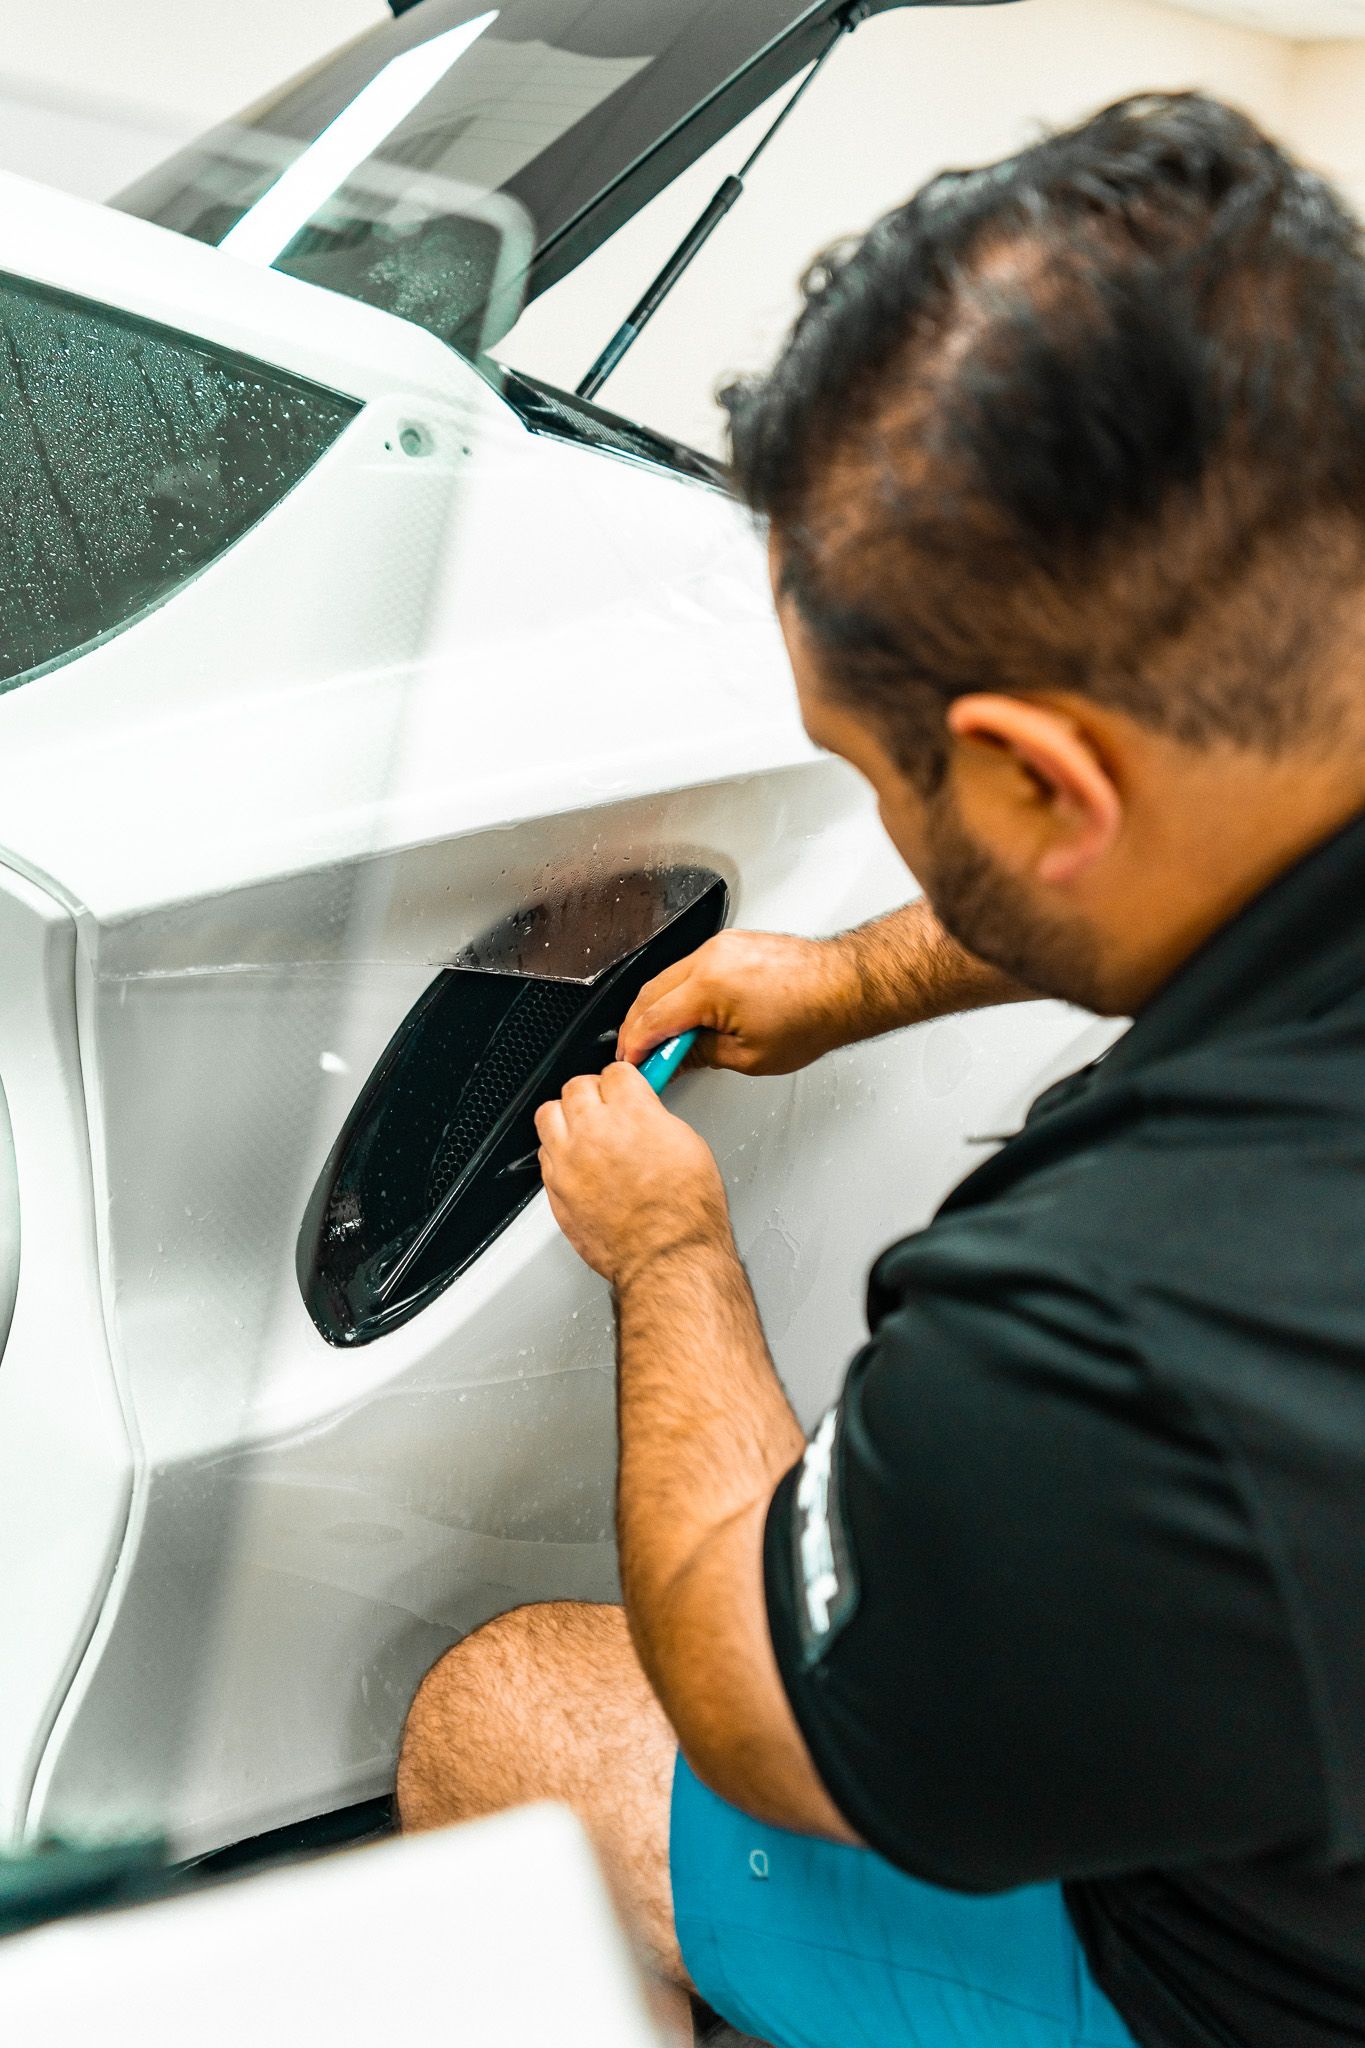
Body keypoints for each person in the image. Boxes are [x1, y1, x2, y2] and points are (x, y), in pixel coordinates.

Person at [396, 92, 1365, 2048]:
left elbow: (762, 1715)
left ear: (1042, 780)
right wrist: (856, 970)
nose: (877, 822)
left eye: (875, 775)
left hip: (1250, 1993)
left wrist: (672, 1261)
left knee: (501, 1724)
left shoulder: (1110, 1333)